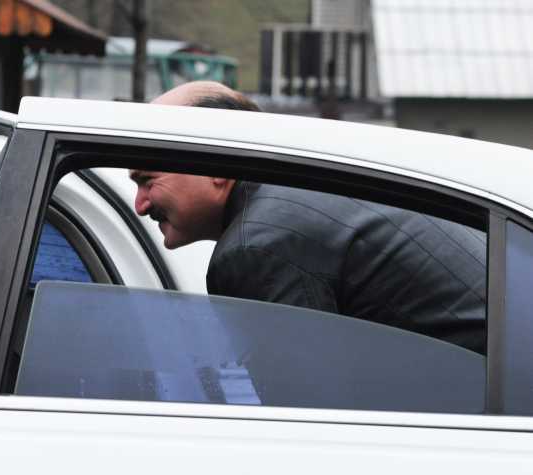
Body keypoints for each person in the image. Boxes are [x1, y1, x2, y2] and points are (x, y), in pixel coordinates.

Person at [132, 81, 486, 354]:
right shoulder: (302, 192)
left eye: (147, 180)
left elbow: (300, 401)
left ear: (215, 167)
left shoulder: (256, 247)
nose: (140, 205)